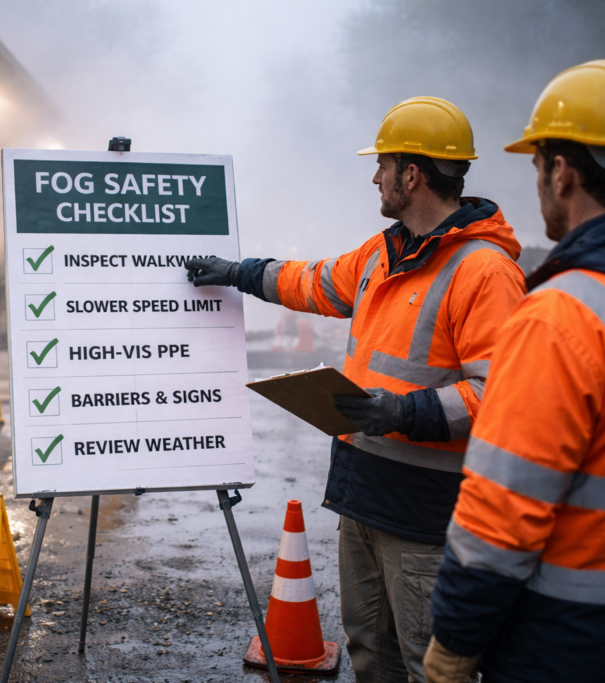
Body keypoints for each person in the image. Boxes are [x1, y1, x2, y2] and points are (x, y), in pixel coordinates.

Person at [186, 97, 526, 682]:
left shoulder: (485, 272)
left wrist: (404, 411)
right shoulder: (382, 254)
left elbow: (501, 393)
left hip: (426, 517)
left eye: (382, 166)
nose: (375, 178)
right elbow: (311, 281)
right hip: (363, 494)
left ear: (411, 175)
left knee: (429, 667)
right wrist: (238, 273)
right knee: (371, 656)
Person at [424, 60, 605, 683]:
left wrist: (453, 643)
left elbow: (503, 510)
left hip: (574, 640)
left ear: (561, 172)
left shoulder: (564, 315)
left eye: (537, 164)